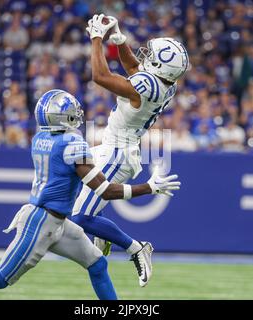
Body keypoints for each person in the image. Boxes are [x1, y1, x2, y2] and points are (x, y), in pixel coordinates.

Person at [0, 89, 181, 300]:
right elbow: (105, 189)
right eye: (71, 110)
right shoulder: (72, 143)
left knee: (97, 263)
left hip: (57, 222)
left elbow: (75, 168)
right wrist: (150, 187)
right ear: (62, 116)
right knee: (0, 278)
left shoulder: (42, 138)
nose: (77, 114)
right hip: (42, 223)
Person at [70, 14, 189, 287]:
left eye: (154, 55)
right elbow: (135, 67)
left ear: (162, 66)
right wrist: (118, 37)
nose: (146, 55)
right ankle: (105, 235)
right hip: (115, 146)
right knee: (75, 179)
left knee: (81, 217)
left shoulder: (148, 86)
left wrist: (96, 38)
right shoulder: (164, 84)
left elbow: (100, 76)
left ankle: (136, 247)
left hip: (118, 153)